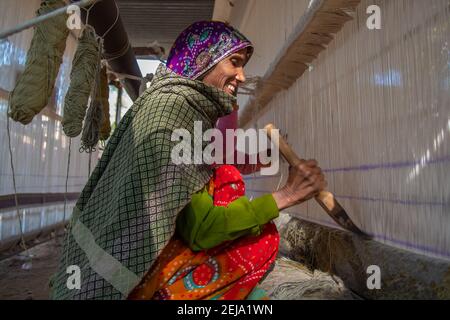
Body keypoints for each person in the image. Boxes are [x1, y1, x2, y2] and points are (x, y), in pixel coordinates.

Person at [50, 21, 326, 300]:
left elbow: (218, 154)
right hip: (114, 283)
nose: (242, 76)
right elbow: (203, 230)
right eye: (234, 62)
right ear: (206, 60)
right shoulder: (178, 120)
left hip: (90, 272)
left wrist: (260, 160)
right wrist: (287, 195)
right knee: (259, 238)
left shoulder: (166, 104)